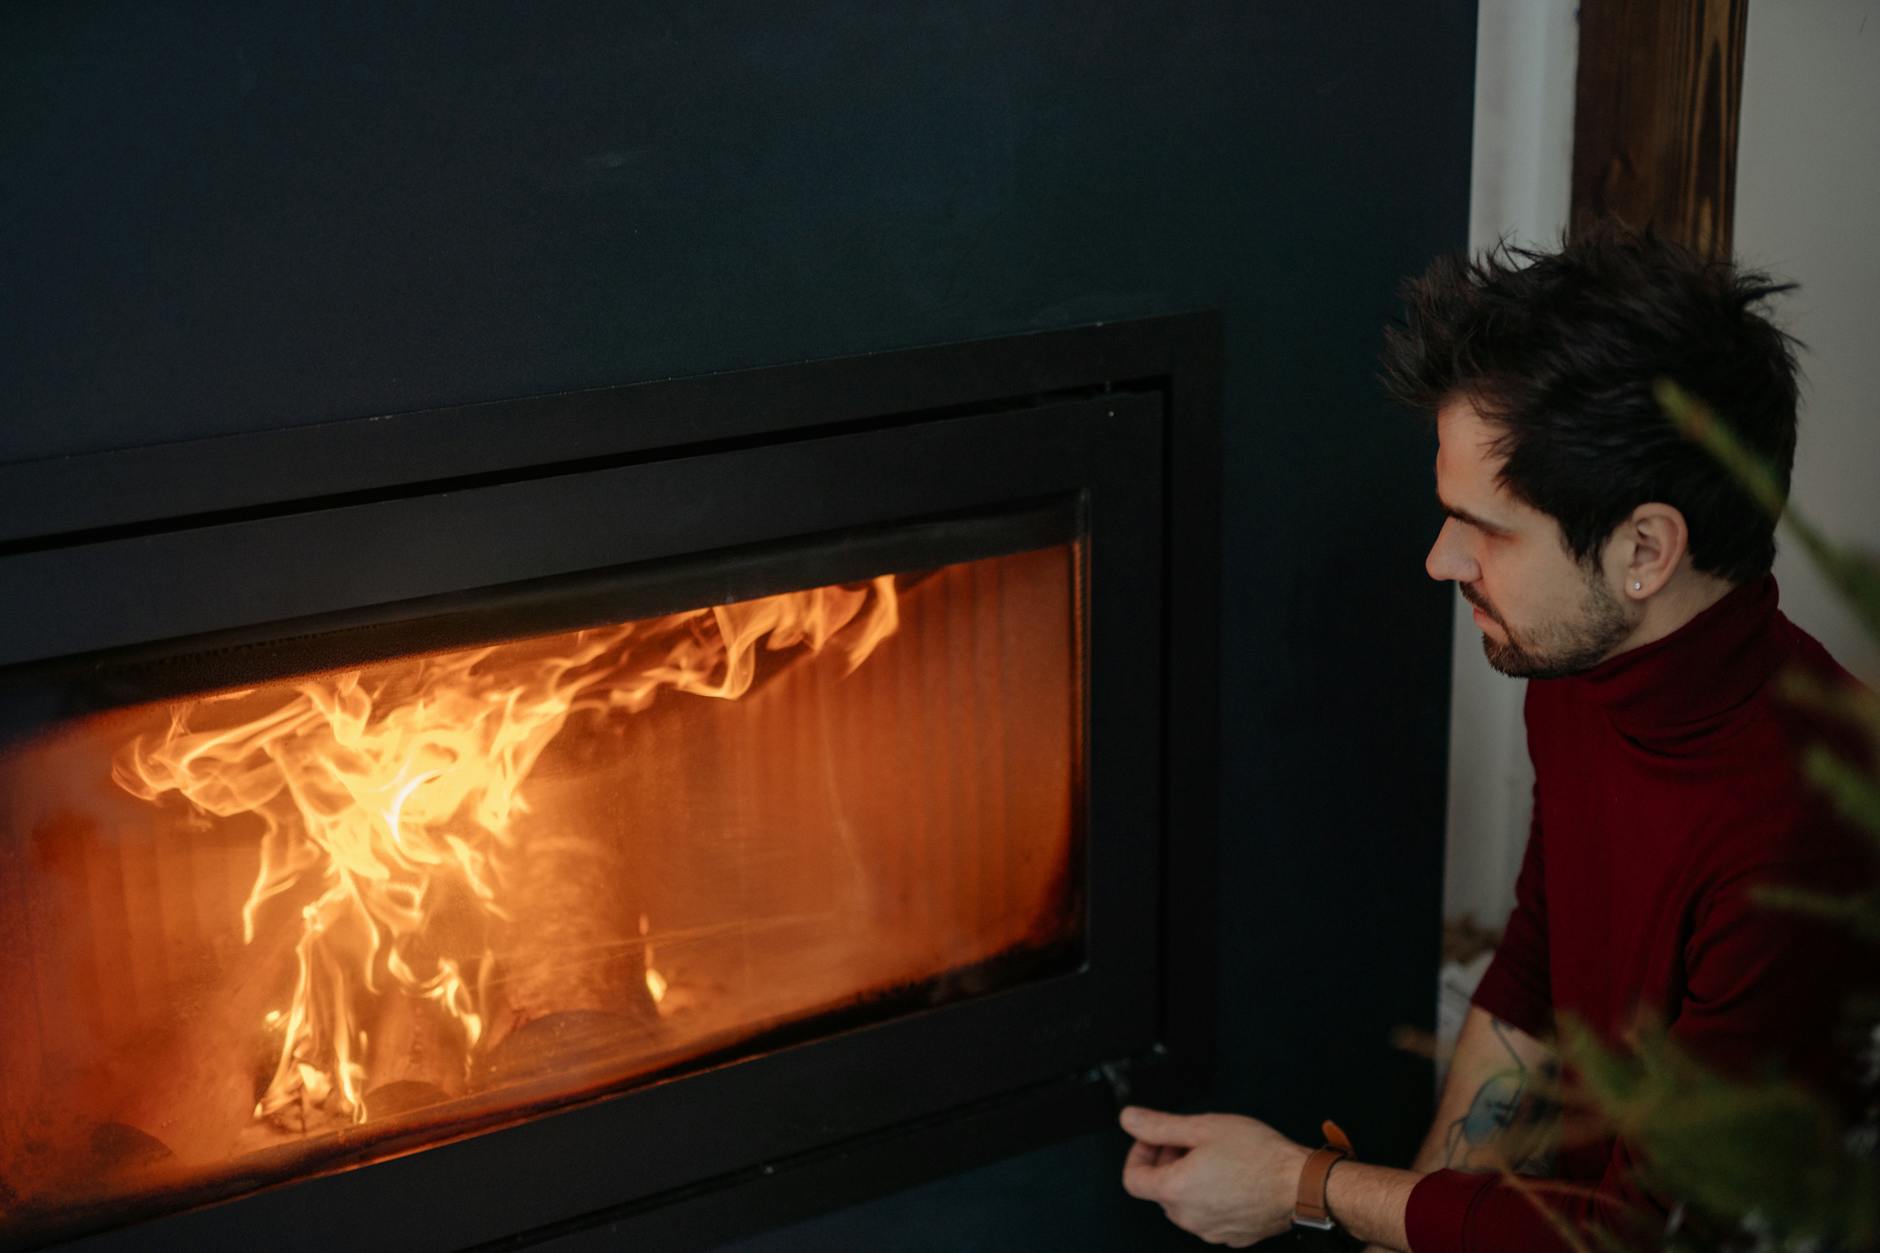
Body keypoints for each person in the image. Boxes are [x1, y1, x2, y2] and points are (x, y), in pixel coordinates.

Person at [1119, 228, 1869, 1250]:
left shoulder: (1797, 828)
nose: (1438, 559)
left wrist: (1309, 1185)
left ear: (1644, 549)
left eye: (1488, 528)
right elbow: (1531, 973)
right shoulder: (1575, 665)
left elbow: (1644, 1236)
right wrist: (1408, 1216)